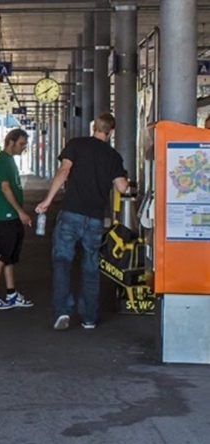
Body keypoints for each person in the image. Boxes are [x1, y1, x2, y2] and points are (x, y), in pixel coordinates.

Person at [36, 112, 130, 331]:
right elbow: (122, 187)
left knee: (62, 262)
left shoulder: (76, 145)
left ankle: (62, 312)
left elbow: (63, 171)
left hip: (71, 213)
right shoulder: (113, 156)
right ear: (111, 132)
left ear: (93, 127)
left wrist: (48, 200)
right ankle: (89, 318)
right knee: (90, 266)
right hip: (95, 219)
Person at [0, 129, 33, 310]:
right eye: (21, 144)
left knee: (9, 257)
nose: (23, 147)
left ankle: (11, 294)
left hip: (11, 217)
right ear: (11, 142)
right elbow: (5, 188)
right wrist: (20, 212)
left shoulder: (10, 160)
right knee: (0, 256)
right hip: (3, 217)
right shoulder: (2, 161)